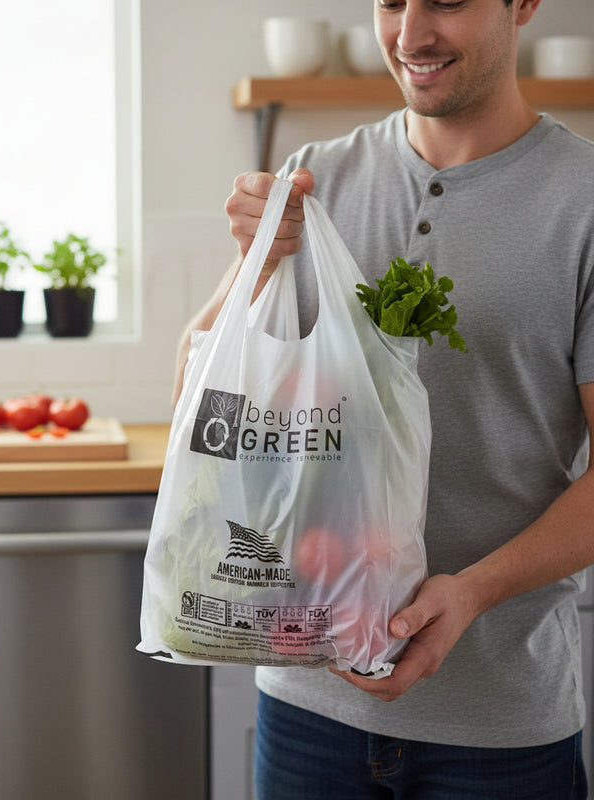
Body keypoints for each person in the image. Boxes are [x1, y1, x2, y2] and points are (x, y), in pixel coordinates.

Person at [174, 0, 594, 797]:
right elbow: (196, 405)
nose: (410, 35)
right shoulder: (315, 176)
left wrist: (471, 592)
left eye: (446, 1)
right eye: (391, 2)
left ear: (524, 5)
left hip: (496, 725)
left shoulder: (583, 201)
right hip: (305, 699)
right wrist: (256, 265)